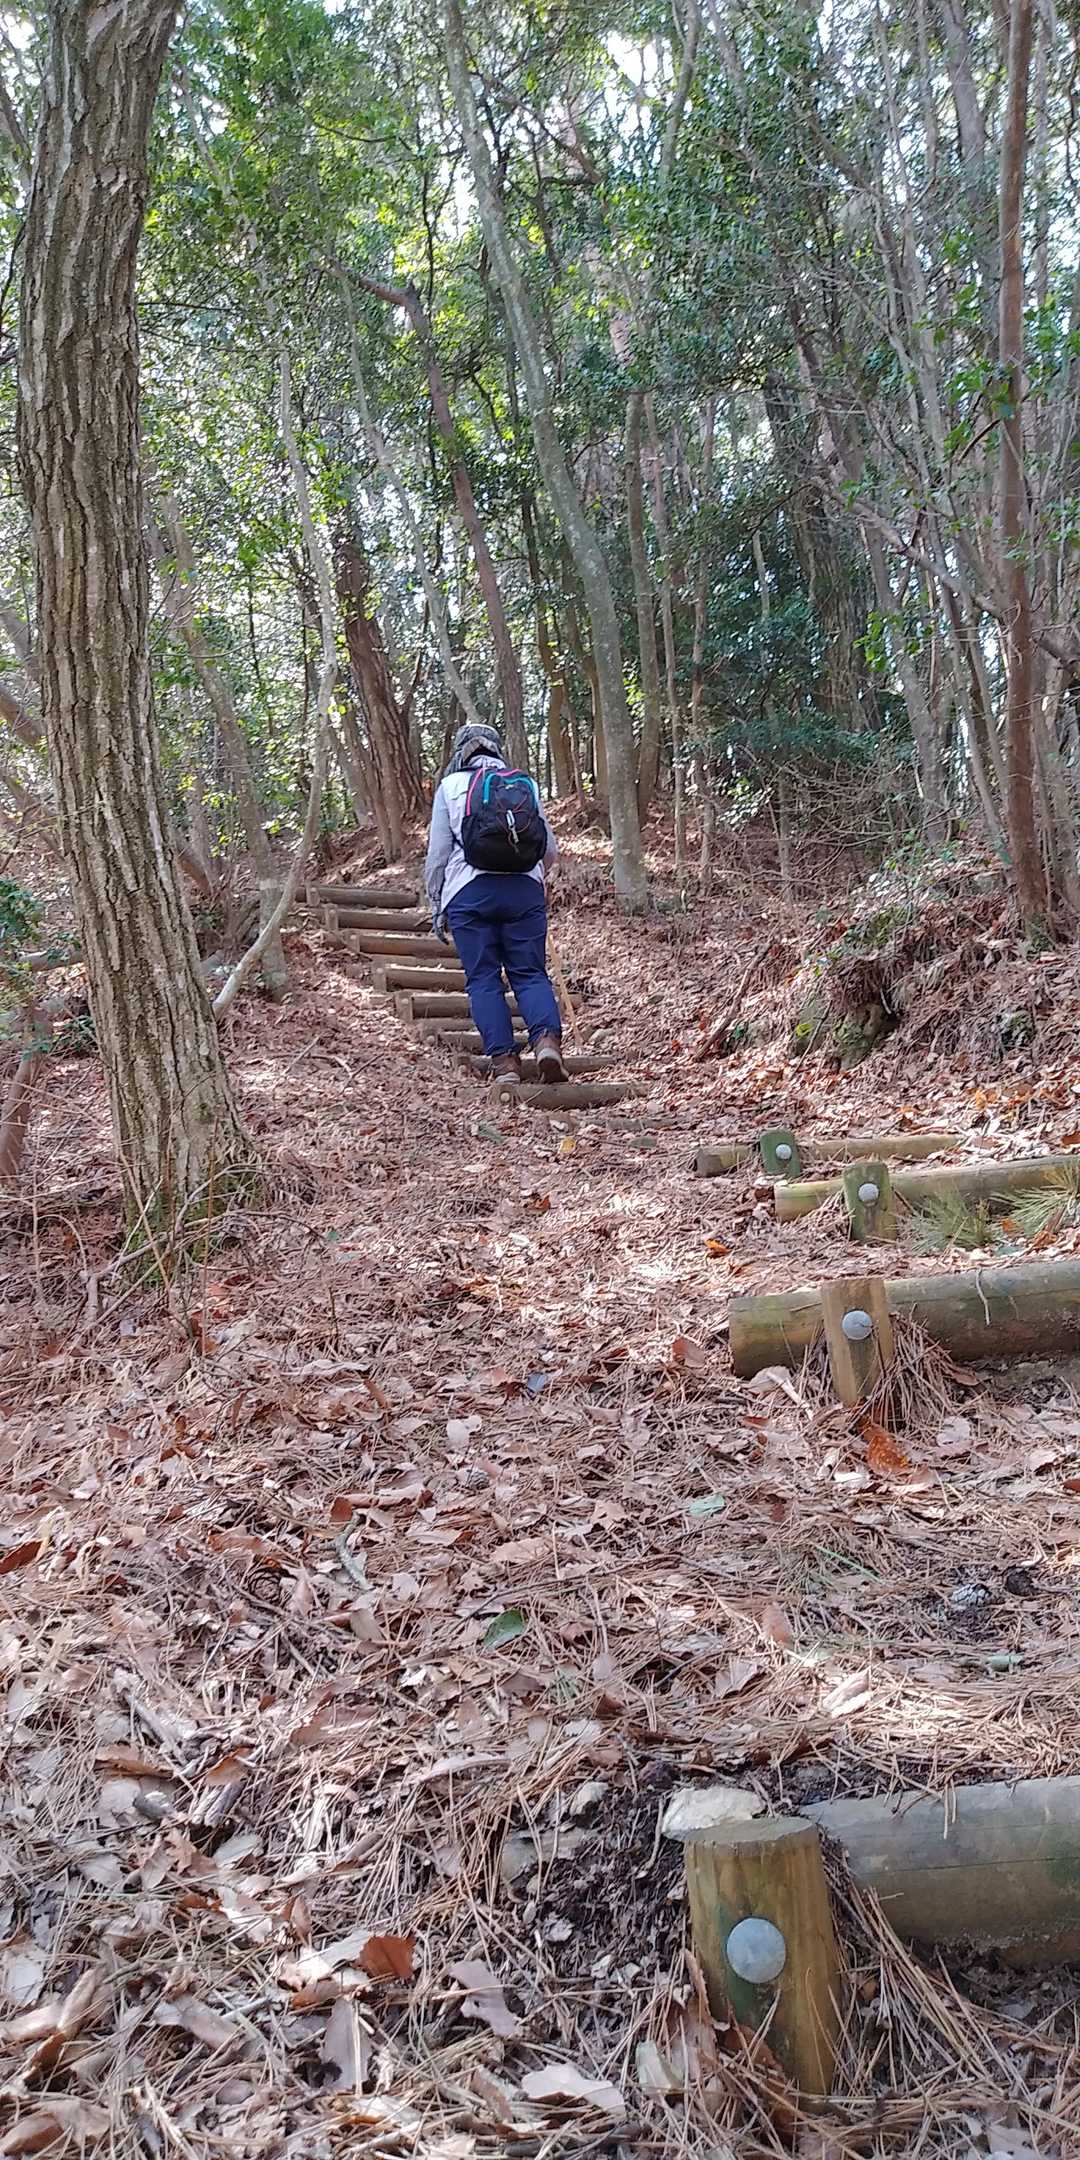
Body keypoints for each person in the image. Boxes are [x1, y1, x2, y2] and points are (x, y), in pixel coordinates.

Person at [425, 723, 568, 1083]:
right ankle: (546, 1043)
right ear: (496, 749)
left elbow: (438, 855)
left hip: (468, 894)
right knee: (530, 972)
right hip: (524, 891)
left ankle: (504, 1063)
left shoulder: (451, 787)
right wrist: (533, 879)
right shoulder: (525, 784)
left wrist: (436, 903)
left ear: (461, 752)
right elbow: (549, 850)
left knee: (483, 979)